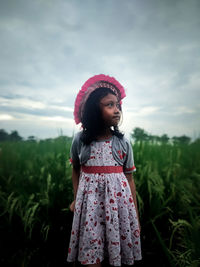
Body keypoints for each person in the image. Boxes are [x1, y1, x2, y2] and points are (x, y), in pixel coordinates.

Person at [67, 74, 142, 266]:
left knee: (115, 254)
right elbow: (76, 170)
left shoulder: (122, 143)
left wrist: (135, 216)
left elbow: (129, 179)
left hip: (119, 209)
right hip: (90, 209)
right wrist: (77, 199)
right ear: (94, 110)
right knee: (92, 256)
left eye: (117, 105)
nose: (117, 110)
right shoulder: (80, 141)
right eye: (110, 105)